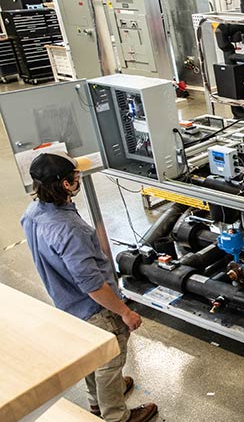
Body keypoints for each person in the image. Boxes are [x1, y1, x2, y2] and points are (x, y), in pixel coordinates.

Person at [20, 151, 158, 422]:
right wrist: (124, 312)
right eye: (74, 177)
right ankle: (117, 415)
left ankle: (99, 400)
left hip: (65, 301)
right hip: (93, 307)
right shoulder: (70, 228)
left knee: (90, 354)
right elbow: (92, 284)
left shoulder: (33, 213)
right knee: (110, 358)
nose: (78, 178)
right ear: (65, 185)